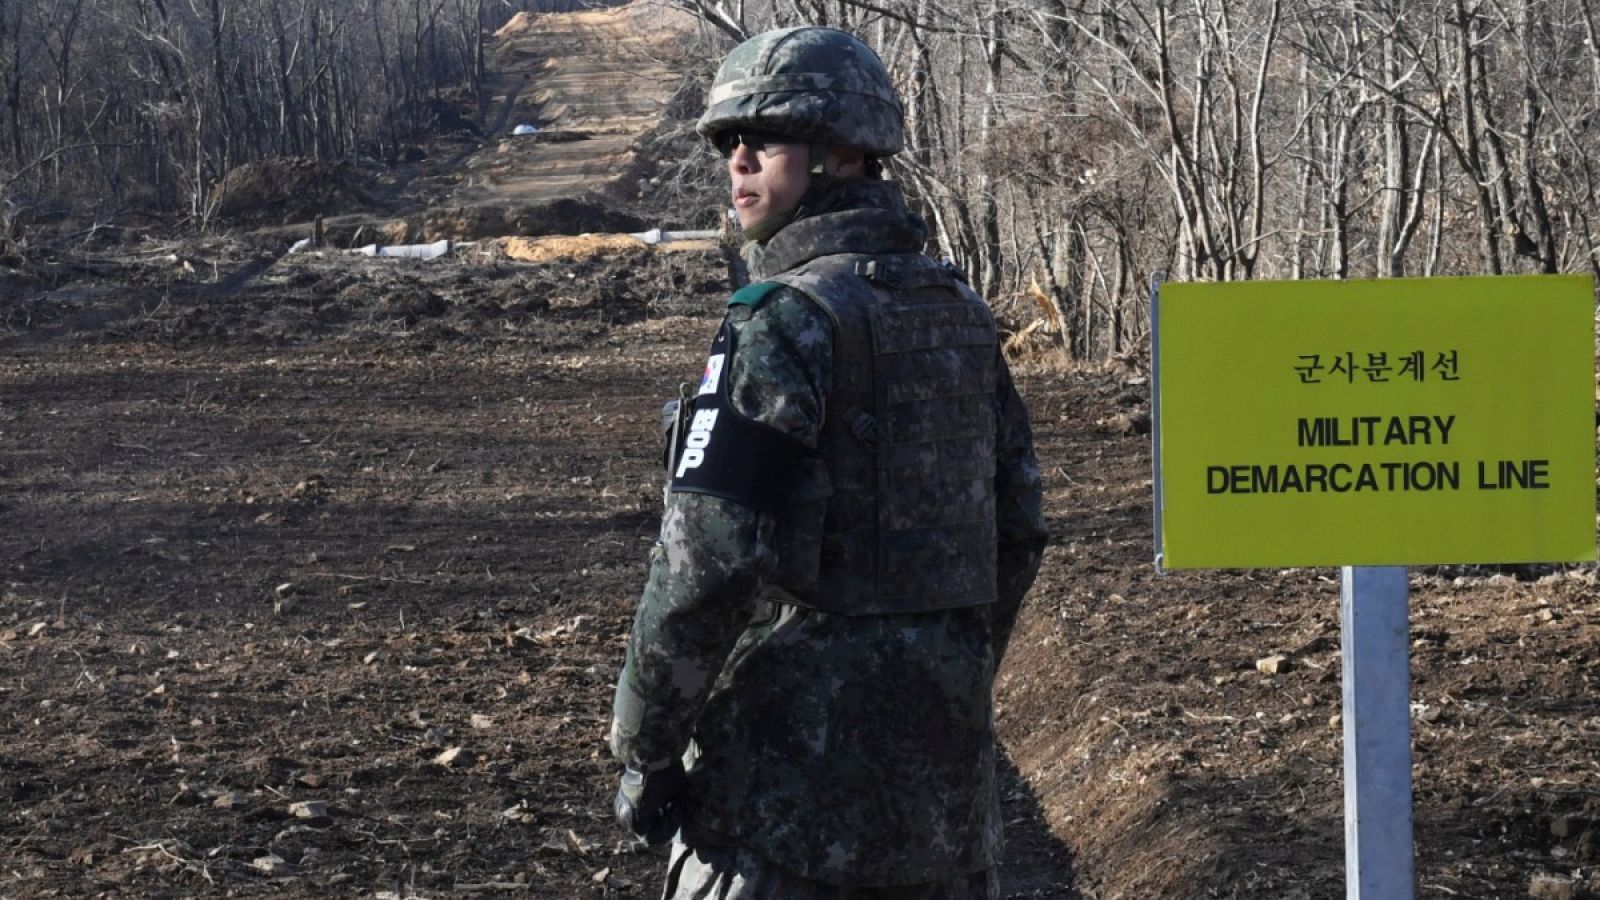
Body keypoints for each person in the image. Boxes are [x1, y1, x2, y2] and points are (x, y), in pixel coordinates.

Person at [608, 25, 1048, 899]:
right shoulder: (956, 309)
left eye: (761, 141)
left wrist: (646, 749)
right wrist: (939, 673)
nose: (736, 164)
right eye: (728, 144)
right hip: (944, 814)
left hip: (780, 818)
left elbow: (705, 566)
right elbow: (1018, 527)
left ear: (843, 154)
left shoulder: (781, 321)